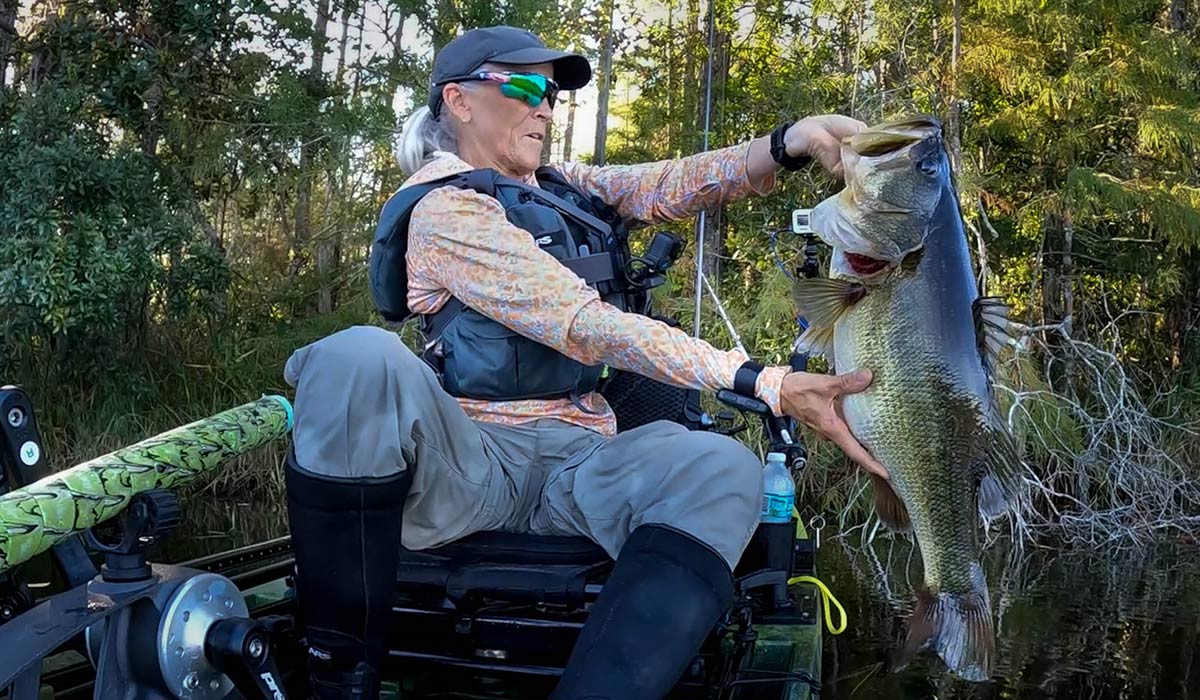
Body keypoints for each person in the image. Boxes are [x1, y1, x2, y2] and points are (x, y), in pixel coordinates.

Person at [281, 24, 888, 700]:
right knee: (351, 356)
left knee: (722, 467)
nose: (546, 105)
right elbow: (583, 324)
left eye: (553, 93)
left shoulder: (562, 186)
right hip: (471, 467)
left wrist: (789, 142)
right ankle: (340, 676)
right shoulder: (445, 209)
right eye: (527, 86)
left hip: (579, 465)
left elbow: (668, 184)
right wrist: (765, 382)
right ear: (458, 99)